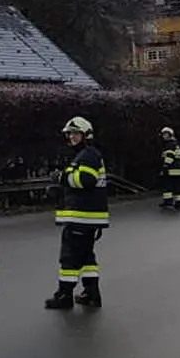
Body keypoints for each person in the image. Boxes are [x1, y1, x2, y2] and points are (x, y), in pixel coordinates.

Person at [45, 116, 109, 310]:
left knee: (69, 257)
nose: (72, 137)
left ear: (85, 135)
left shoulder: (88, 154)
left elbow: (86, 180)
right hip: (86, 218)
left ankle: (64, 296)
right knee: (86, 257)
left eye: (75, 133)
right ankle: (91, 293)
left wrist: (62, 178)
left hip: (82, 217)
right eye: (70, 133)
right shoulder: (85, 154)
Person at [158, 127, 180, 211]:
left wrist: (165, 167)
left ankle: (168, 202)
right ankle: (179, 204)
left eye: (165, 134)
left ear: (169, 135)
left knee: (167, 186)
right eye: (163, 134)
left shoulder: (170, 144)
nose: (164, 136)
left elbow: (170, 157)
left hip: (172, 170)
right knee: (178, 187)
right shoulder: (175, 143)